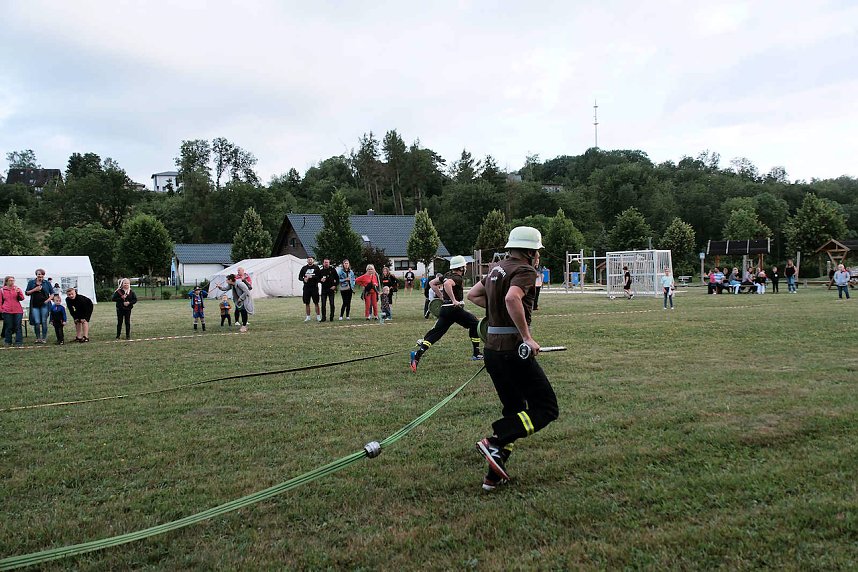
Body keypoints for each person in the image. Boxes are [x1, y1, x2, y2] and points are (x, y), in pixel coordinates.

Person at [467, 226, 559, 492]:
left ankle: (491, 478)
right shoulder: (526, 271)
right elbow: (512, 297)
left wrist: (498, 311)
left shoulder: (496, 268)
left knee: (515, 410)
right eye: (538, 252)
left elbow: (473, 295)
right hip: (512, 350)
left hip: (492, 352)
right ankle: (493, 442)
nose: (538, 257)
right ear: (530, 252)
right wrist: (527, 337)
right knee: (547, 409)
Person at [410, 255, 482, 372]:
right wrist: (453, 300)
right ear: (461, 268)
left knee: (436, 334)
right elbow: (448, 284)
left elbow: (432, 283)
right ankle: (477, 353)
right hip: (454, 309)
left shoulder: (447, 274)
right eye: (464, 266)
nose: (465, 268)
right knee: (475, 324)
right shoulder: (457, 278)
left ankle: (417, 355)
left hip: (445, 309)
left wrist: (442, 296)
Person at [25, 268, 53, 344]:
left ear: (43, 275)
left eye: (41, 274)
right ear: (36, 275)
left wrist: (47, 300)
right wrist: (35, 289)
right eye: (38, 274)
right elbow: (27, 293)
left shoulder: (47, 283)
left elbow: (52, 294)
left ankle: (44, 338)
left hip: (44, 305)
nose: (40, 276)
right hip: (34, 305)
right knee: (36, 322)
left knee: (44, 321)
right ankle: (38, 338)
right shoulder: (31, 283)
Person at [1, 276, 26, 347]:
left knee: (18, 326)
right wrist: (1, 310)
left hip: (18, 310)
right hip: (7, 310)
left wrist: (19, 292)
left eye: (13, 280)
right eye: (10, 280)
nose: (12, 282)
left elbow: (22, 298)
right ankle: (8, 341)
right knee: (9, 326)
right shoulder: (2, 290)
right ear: (6, 282)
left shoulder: (17, 288)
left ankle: (19, 342)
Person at [298, 256, 322, 322]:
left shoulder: (316, 268)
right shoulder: (304, 268)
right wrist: (304, 279)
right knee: (307, 303)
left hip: (314, 287)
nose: (310, 261)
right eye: (308, 260)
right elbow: (299, 277)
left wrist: (312, 276)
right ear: (307, 261)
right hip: (306, 288)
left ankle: (318, 316)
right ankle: (308, 317)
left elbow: (319, 277)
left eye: (311, 260)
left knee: (316, 302)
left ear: (313, 261)